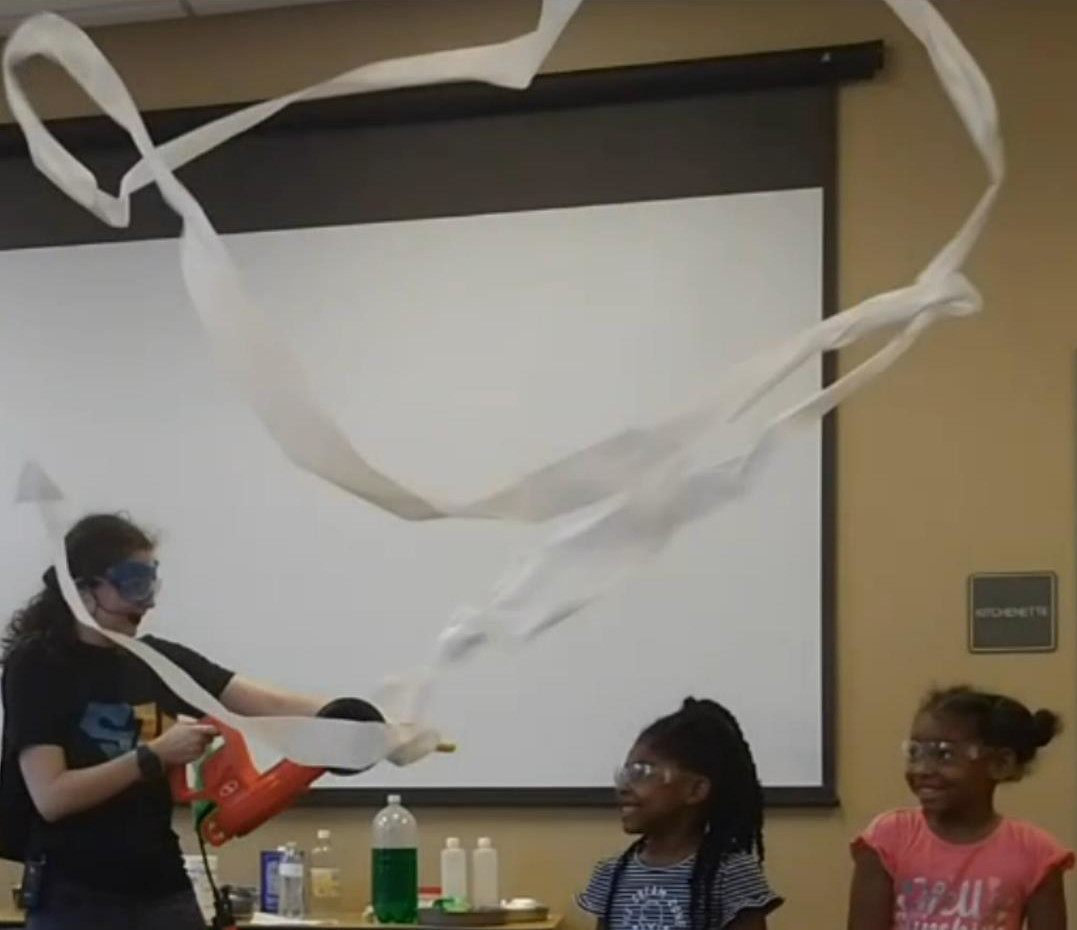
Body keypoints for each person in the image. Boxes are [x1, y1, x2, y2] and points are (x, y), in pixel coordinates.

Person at [0, 513, 366, 930]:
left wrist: (359, 722)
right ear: (84, 591)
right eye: (132, 582)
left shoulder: (157, 661)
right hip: (75, 897)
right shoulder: (39, 666)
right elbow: (52, 797)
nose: (147, 602)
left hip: (162, 889)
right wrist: (153, 756)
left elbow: (260, 700)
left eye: (150, 582)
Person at [847, 686, 1073, 930]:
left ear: (1000, 763)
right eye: (915, 752)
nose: (922, 769)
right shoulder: (887, 839)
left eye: (944, 754)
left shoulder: (1036, 854)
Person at [576, 697, 782, 930]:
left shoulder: (730, 875)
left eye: (641, 771)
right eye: (625, 773)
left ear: (695, 790)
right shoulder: (611, 874)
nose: (624, 787)